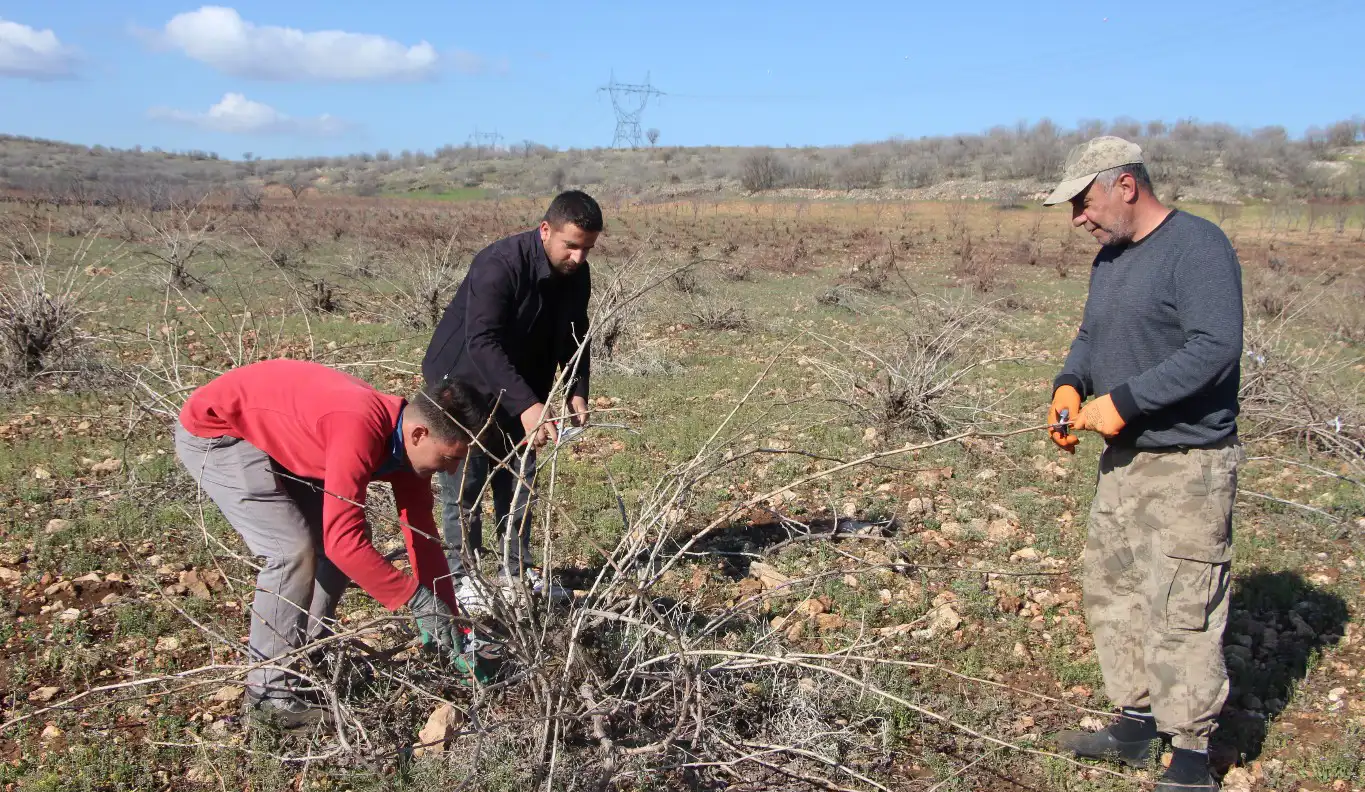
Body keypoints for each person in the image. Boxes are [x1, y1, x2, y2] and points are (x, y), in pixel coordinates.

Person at [1042, 136, 1244, 792]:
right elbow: (1090, 335)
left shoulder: (1197, 247)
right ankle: (1132, 726)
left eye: (1083, 200)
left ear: (1125, 184)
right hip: (1122, 464)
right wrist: (1069, 384)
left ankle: (1189, 761)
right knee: (1115, 592)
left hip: (1187, 462)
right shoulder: (1110, 258)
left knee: (1180, 605)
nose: (1078, 217)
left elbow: (1214, 346)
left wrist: (1122, 403)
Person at [174, 359, 494, 729]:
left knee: (337, 542)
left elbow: (421, 535)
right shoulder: (358, 426)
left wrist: (446, 618)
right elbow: (345, 543)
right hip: (220, 431)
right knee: (291, 550)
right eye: (450, 458)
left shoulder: (406, 444)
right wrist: (416, 600)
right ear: (420, 434)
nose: (452, 470)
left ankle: (308, 655)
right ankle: (268, 697)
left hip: (279, 434)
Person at [422, 190, 600, 603]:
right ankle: (462, 579)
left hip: (522, 382)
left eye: (587, 248)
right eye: (570, 245)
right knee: (464, 484)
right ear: (545, 230)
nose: (578, 258)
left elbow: (577, 332)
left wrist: (577, 386)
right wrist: (529, 406)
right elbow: (481, 340)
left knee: (519, 481)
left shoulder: (578, 275)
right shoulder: (499, 264)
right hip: (461, 385)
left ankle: (516, 572)